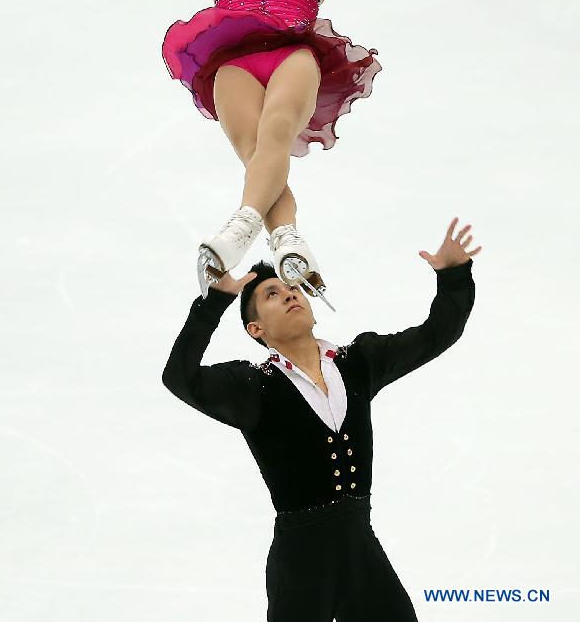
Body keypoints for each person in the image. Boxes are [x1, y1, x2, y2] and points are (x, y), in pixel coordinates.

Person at [162, 217, 480, 621]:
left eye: (293, 288)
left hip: (362, 552)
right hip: (300, 566)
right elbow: (179, 378)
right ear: (255, 328)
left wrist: (453, 276)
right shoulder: (251, 386)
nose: (290, 294)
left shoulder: (359, 361)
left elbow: (438, 334)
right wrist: (212, 304)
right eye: (273, 294)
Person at [161, 0, 381, 302]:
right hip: (232, 63)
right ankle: (287, 240)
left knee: (278, 131)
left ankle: (239, 228)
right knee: (257, 152)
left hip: (294, 53)